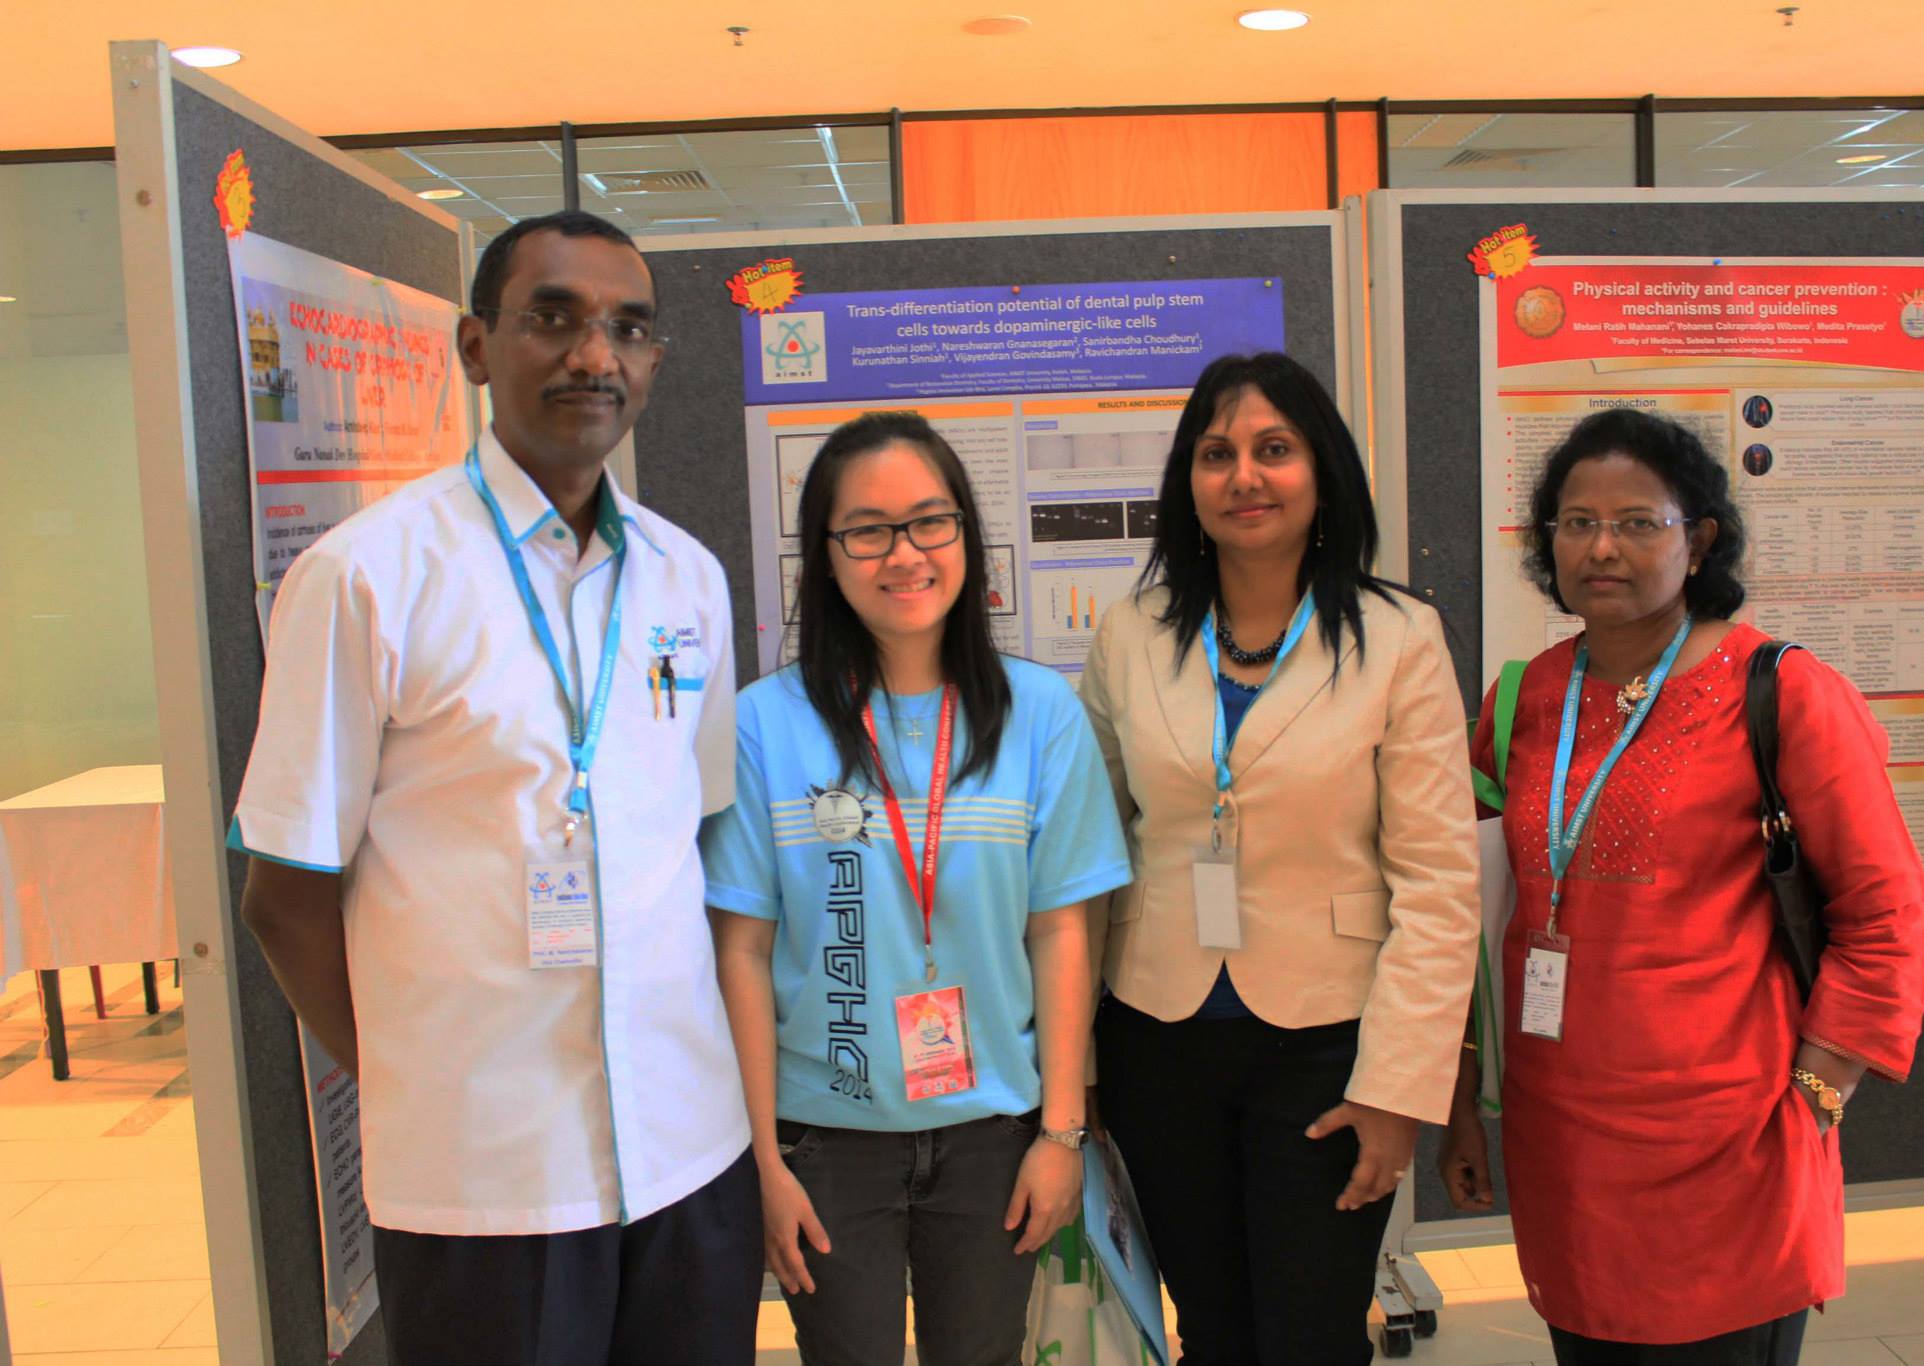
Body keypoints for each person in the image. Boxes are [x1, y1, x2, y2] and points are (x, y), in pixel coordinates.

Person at [231, 210, 760, 1366]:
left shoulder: (686, 577)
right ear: (475, 346)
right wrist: (418, 1076)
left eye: (628, 328)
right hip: (486, 1179)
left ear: (653, 361)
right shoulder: (367, 576)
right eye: (553, 318)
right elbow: (284, 895)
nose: (595, 355)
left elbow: (697, 838)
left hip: (686, 1152)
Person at [1438, 408, 1924, 1365]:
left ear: (1699, 540)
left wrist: (1819, 1092)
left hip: (1732, 1146)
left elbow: (1889, 916)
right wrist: (1462, 1098)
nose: (1602, 547)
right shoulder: (1524, 699)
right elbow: (1469, 916)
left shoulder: (1783, 691)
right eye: (1577, 522)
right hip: (1565, 1145)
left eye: (1638, 522)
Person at [702, 412, 1131, 1366]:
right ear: (825, 557)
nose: (904, 553)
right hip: (822, 1139)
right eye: (867, 530)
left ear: (967, 537)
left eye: (930, 522)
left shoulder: (1039, 715)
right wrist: (761, 1159)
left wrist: (1062, 1132)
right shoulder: (762, 726)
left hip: (993, 1134)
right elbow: (741, 949)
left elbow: (1063, 930)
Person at [1079, 353, 1481, 1365]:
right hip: (1156, 1038)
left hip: (1332, 1046)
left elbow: (1438, 884)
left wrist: (1399, 1088)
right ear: (1188, 480)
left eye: (1273, 449)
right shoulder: (1130, 634)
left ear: (1321, 471)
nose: (1243, 476)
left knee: (1309, 1337)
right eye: (1216, 454)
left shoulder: (1399, 637)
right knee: (1211, 1334)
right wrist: (1072, 1061)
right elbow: (1086, 858)